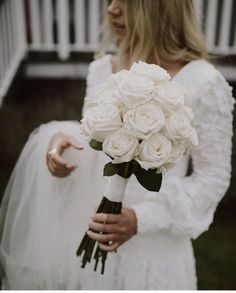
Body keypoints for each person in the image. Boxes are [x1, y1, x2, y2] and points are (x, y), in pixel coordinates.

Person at [0, 0, 234, 290]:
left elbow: (213, 177)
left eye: (126, 2)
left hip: (158, 255)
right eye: (110, 0)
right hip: (98, 251)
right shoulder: (102, 69)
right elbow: (98, 144)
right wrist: (62, 143)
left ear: (163, 8)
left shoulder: (203, 82)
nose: (111, 10)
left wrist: (140, 219)